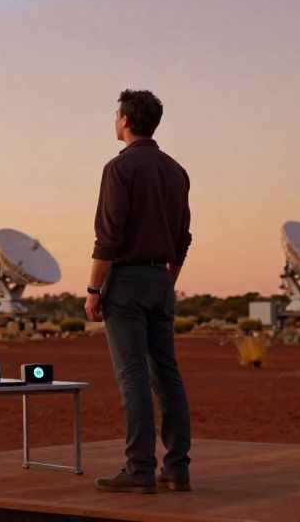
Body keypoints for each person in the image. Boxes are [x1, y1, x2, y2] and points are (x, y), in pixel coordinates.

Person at [86, 89, 193, 494]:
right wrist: (166, 280)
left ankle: (140, 468)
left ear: (126, 120)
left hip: (126, 281)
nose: (115, 120)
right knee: (167, 374)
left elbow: (108, 237)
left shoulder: (120, 168)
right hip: (161, 281)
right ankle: (177, 467)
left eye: (116, 115)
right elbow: (182, 238)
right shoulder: (176, 171)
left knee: (132, 376)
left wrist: (94, 289)